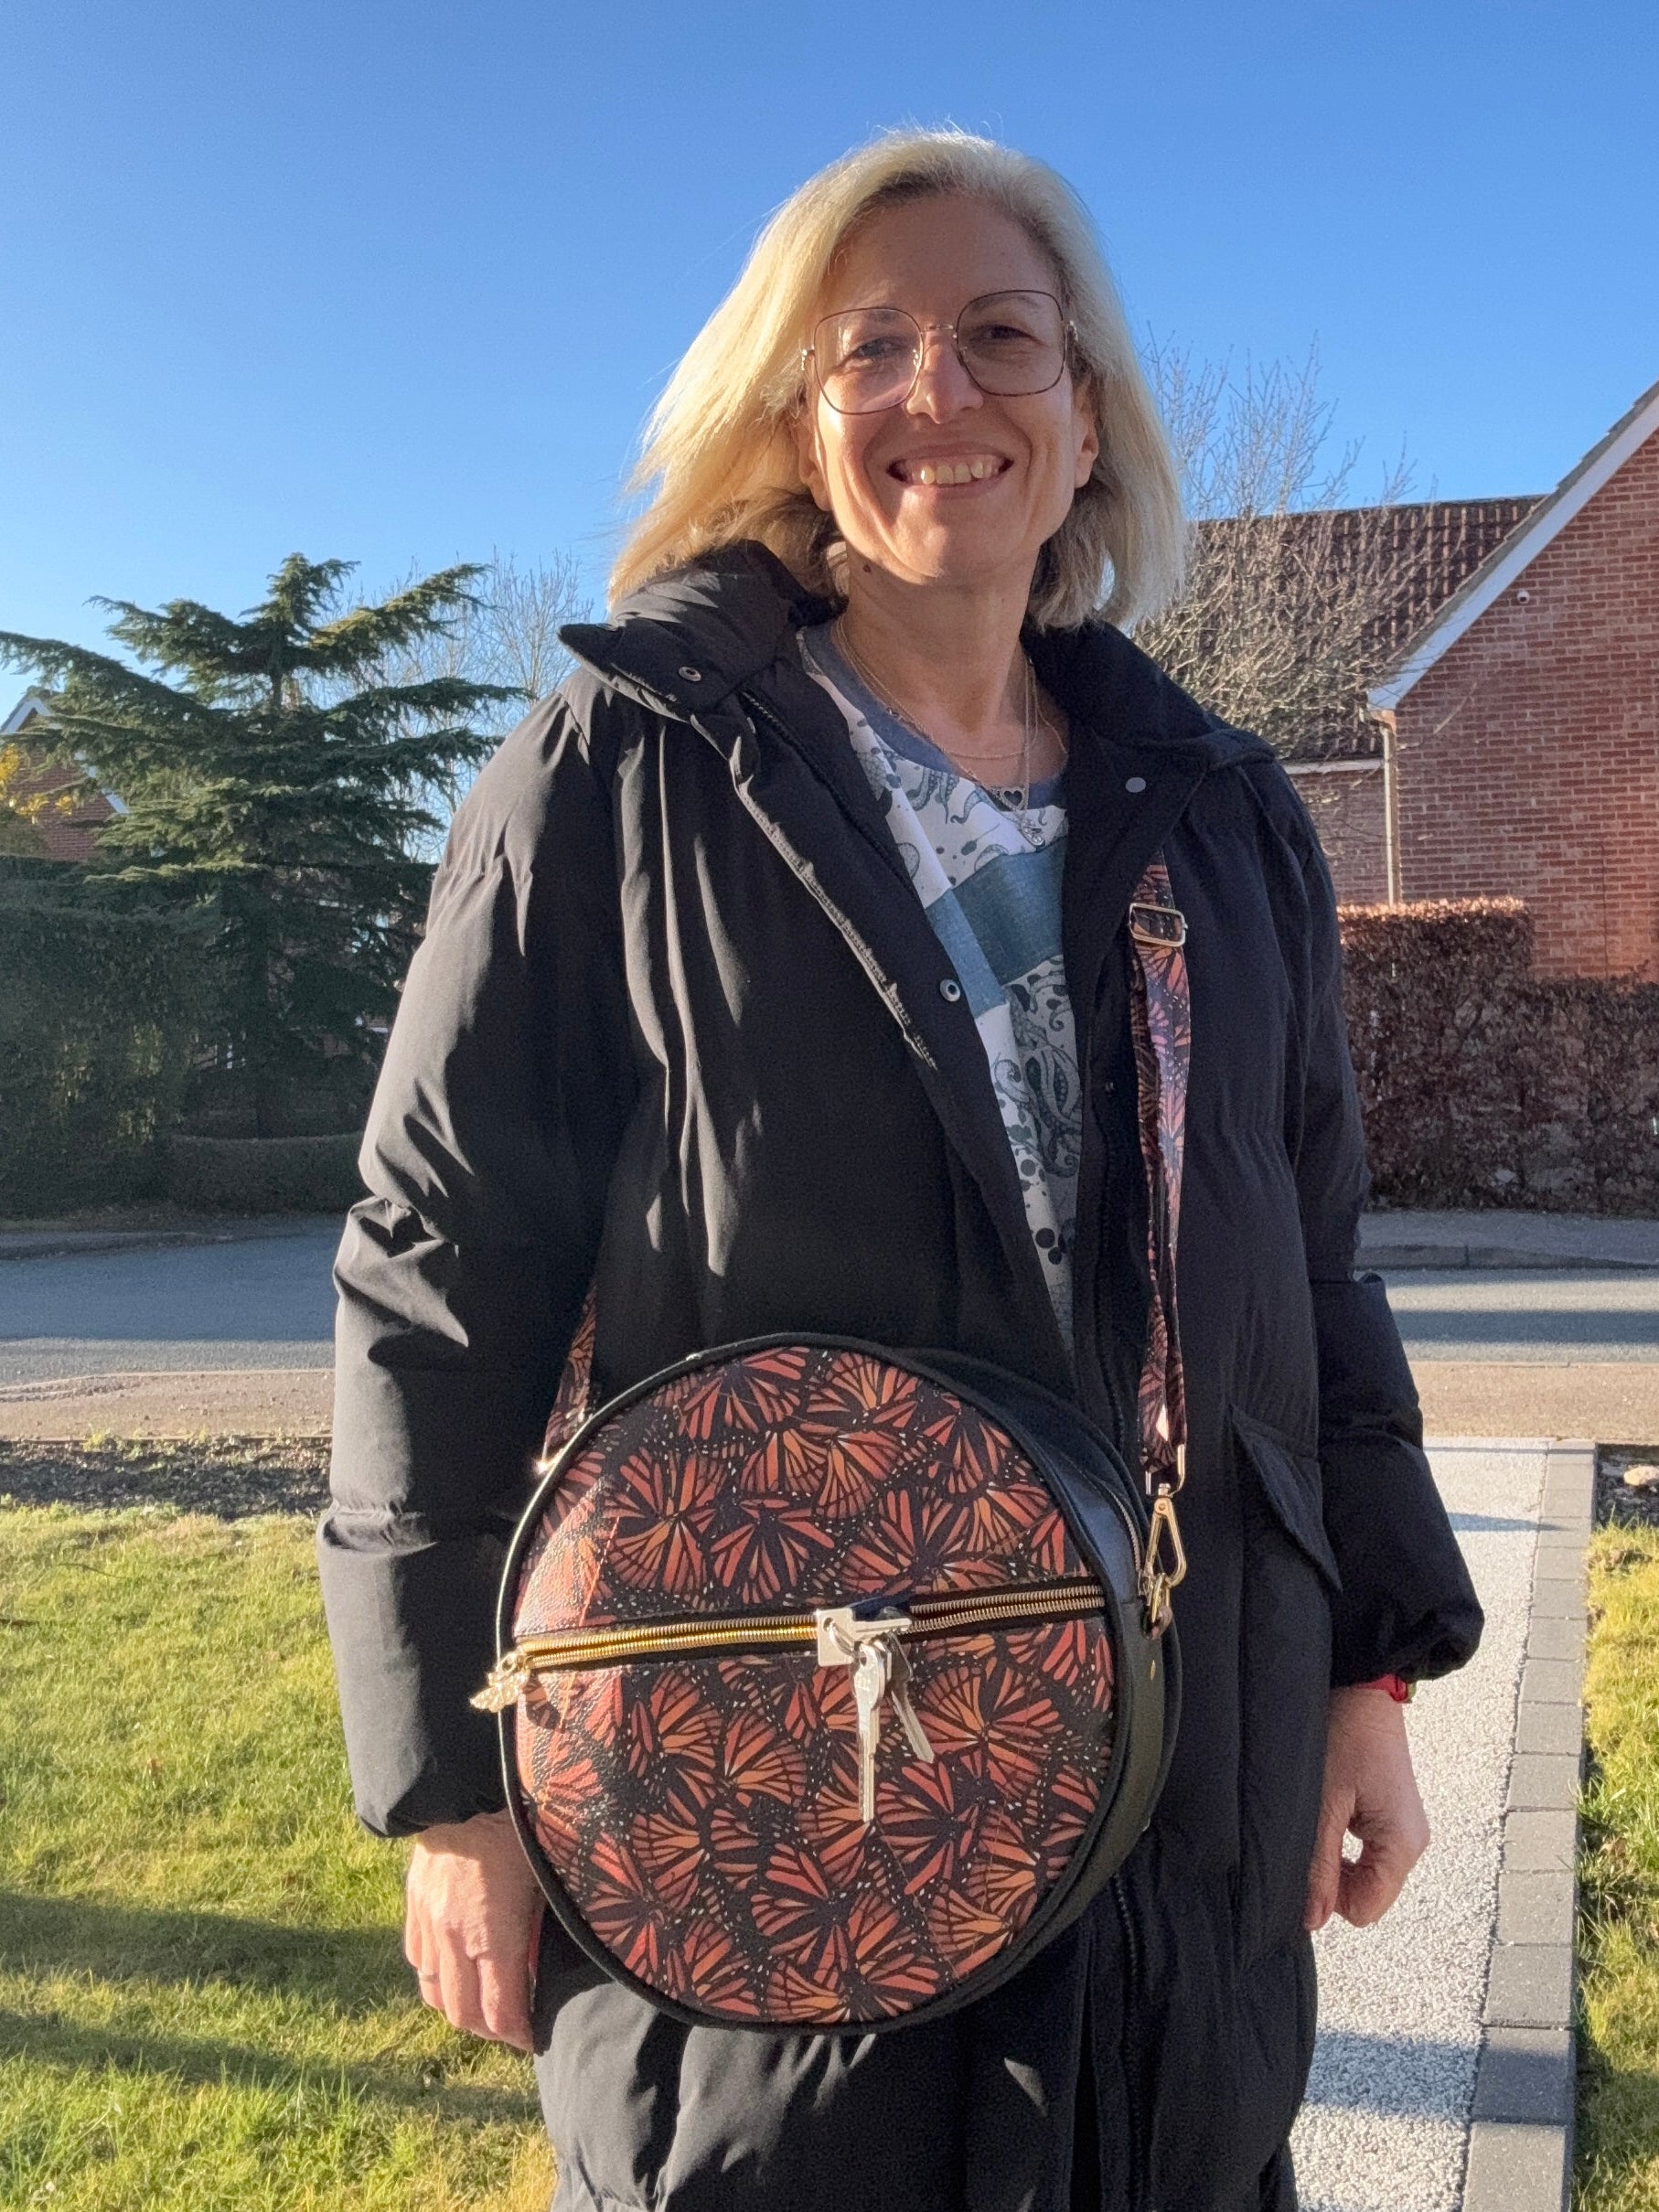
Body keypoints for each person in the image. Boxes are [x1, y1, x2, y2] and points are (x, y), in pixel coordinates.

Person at [317, 128, 1482, 2212]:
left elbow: (1311, 1282)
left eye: (1000, 338)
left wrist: (1366, 1675)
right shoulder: (625, 773)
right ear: (795, 412)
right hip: (780, 1799)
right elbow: (437, 1270)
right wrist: (446, 1787)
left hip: (1177, 1801)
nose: (940, 396)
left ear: (1090, 410)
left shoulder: (1221, 820)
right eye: (872, 349)